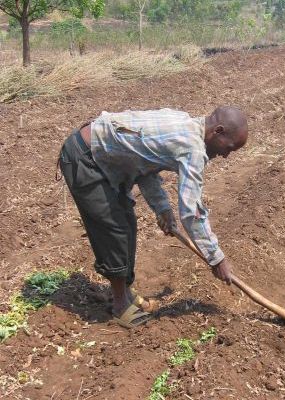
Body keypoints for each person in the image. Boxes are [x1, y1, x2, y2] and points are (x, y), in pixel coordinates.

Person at [58, 106, 248, 327]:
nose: (225, 155)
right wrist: (216, 258)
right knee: (114, 230)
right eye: (229, 148)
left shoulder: (185, 123)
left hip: (100, 159)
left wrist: (163, 210)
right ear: (218, 131)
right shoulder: (192, 148)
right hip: (86, 159)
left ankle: (124, 293)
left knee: (127, 224)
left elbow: (144, 165)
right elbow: (192, 213)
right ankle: (120, 304)